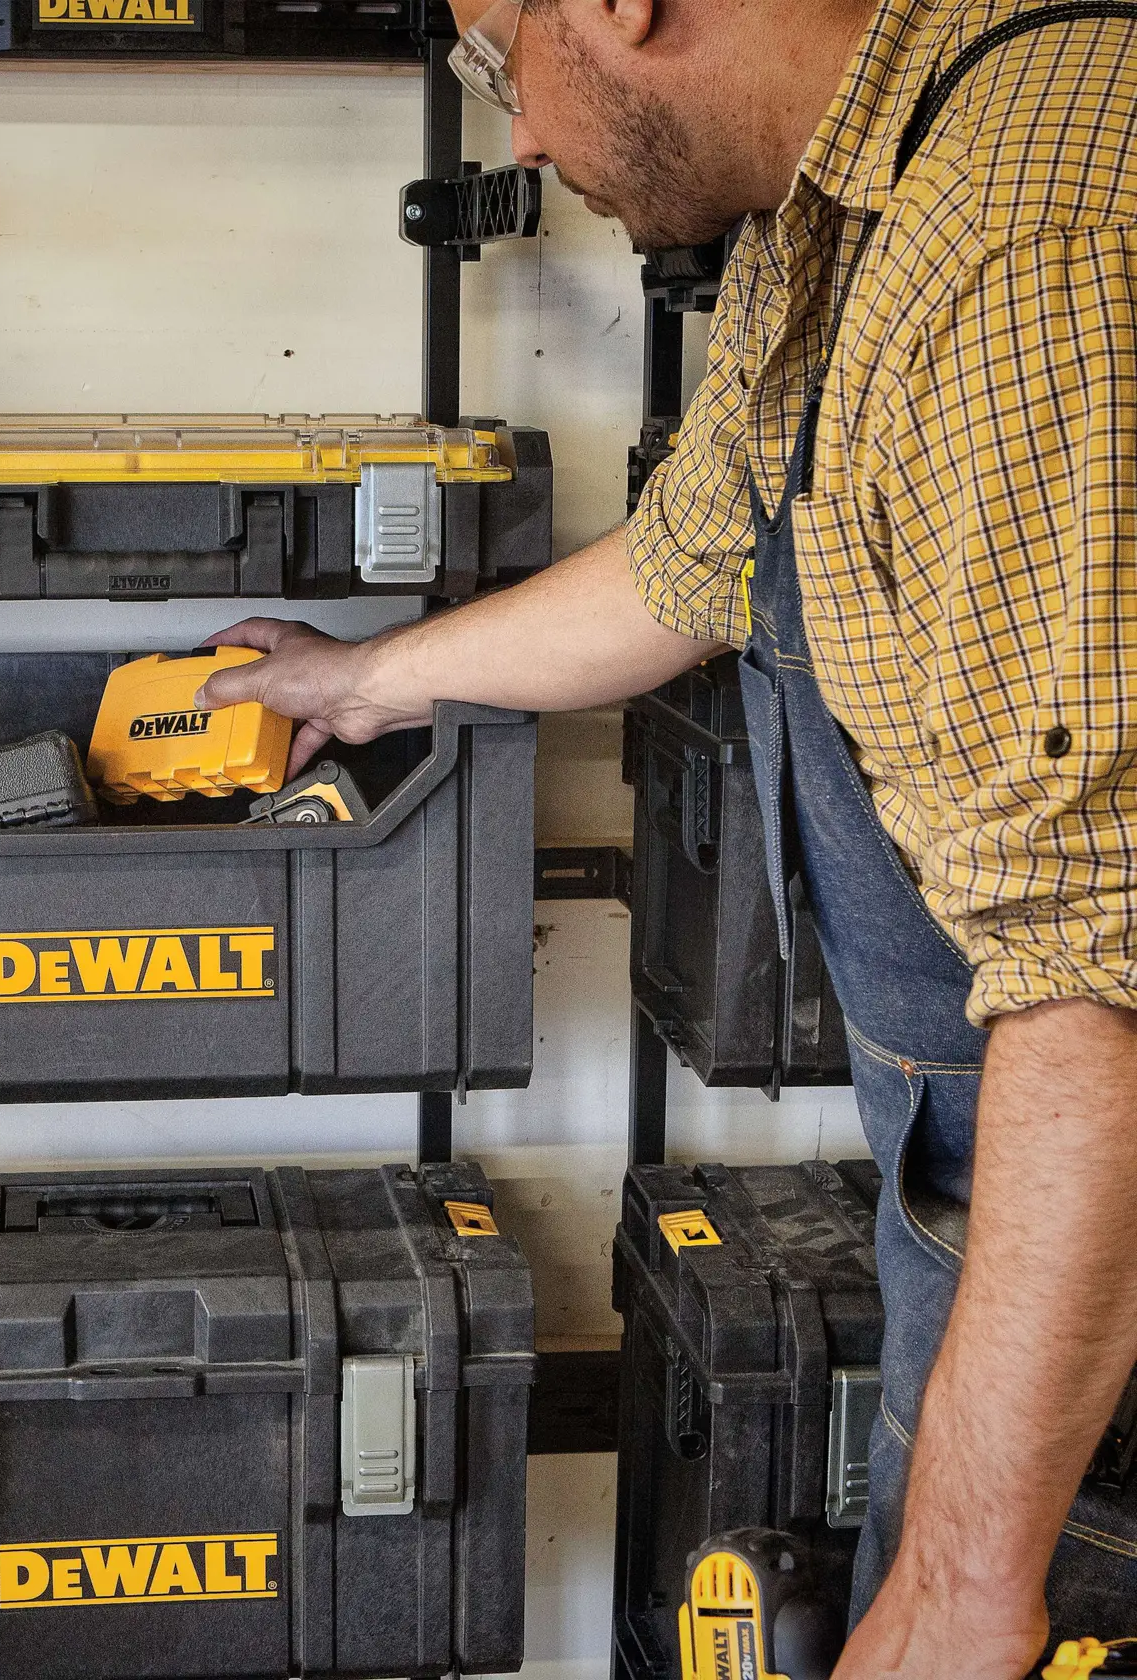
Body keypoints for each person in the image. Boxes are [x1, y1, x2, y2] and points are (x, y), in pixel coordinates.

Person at [197, 0, 1137, 1672]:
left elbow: (1106, 989)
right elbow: (695, 563)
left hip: (1089, 1268)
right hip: (993, 1202)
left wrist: (963, 1583)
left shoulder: (1022, 253)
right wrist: (367, 684)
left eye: (500, 59)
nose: (518, 138)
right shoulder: (834, 207)